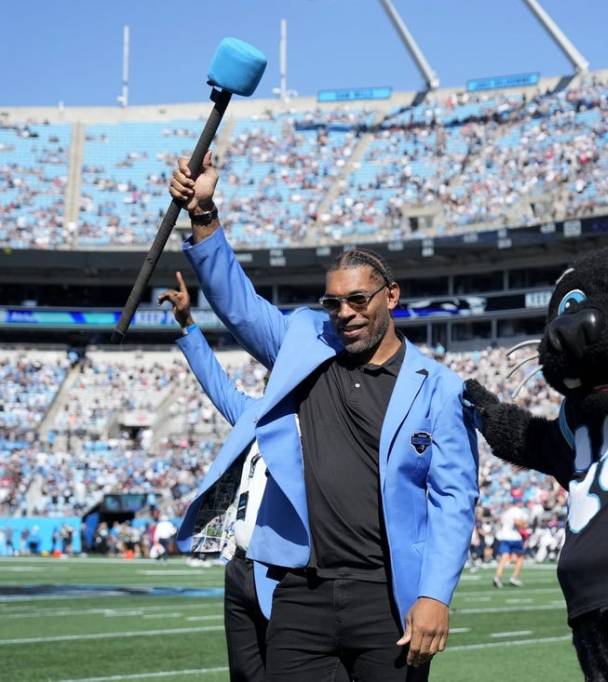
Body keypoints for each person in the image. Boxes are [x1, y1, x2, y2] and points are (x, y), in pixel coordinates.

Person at [169, 152, 479, 680]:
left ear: (392, 296)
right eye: (333, 303)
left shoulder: (440, 388)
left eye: (358, 300)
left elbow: (455, 499)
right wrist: (204, 216)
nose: (345, 314)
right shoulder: (305, 342)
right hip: (300, 592)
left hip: (387, 596)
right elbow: (239, 306)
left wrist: (434, 596)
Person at [159, 271, 269, 681]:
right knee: (244, 674)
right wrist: (188, 323)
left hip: (288, 572)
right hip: (240, 567)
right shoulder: (253, 414)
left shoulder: (319, 423)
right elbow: (216, 383)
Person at [492, 504, 528, 588]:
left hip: (504, 536)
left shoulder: (506, 512)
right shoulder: (517, 511)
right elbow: (517, 522)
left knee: (504, 557)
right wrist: (524, 524)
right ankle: (514, 578)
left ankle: (497, 577)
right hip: (514, 537)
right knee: (520, 558)